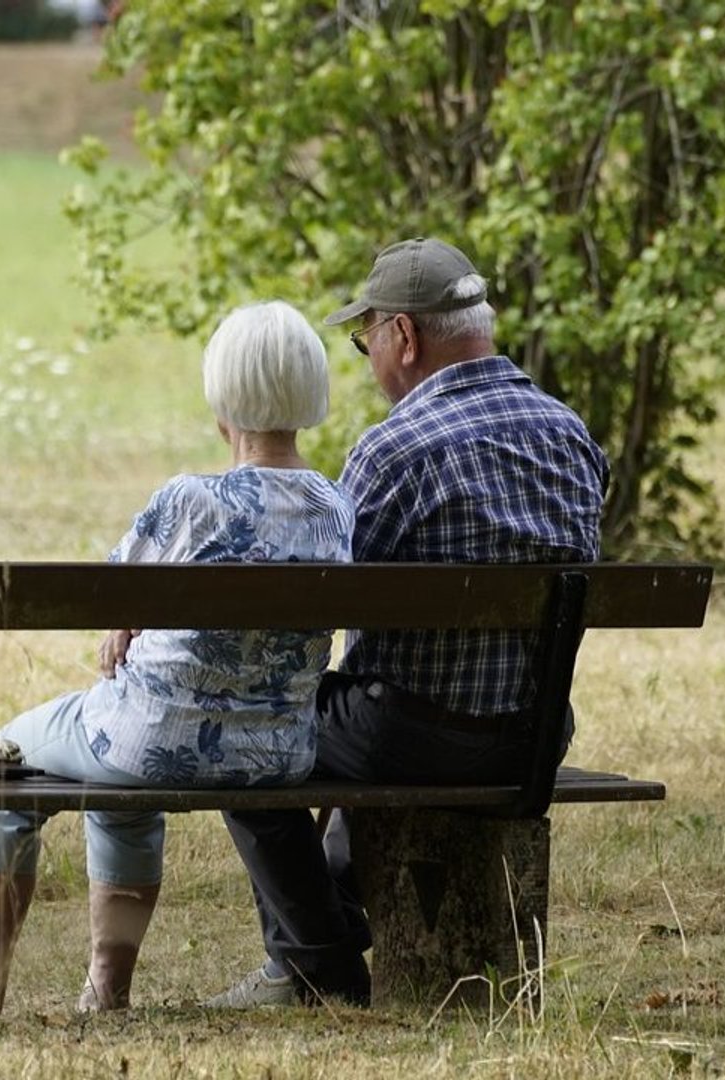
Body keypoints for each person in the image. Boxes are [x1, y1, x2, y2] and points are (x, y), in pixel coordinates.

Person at [206, 238, 610, 1008]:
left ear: (403, 336)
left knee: (243, 727)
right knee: (364, 706)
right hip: (533, 738)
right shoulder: (572, 436)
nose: (368, 361)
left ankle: (316, 965)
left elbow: (324, 604)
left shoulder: (393, 451)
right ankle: (327, 929)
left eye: (366, 344)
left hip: (412, 738)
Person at [0, 300, 356, 1017]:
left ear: (222, 399)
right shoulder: (336, 507)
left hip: (150, 742)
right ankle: (105, 991)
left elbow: (107, 597)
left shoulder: (189, 501)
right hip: (276, 755)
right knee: (119, 777)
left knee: (4, 759)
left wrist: (126, 622)